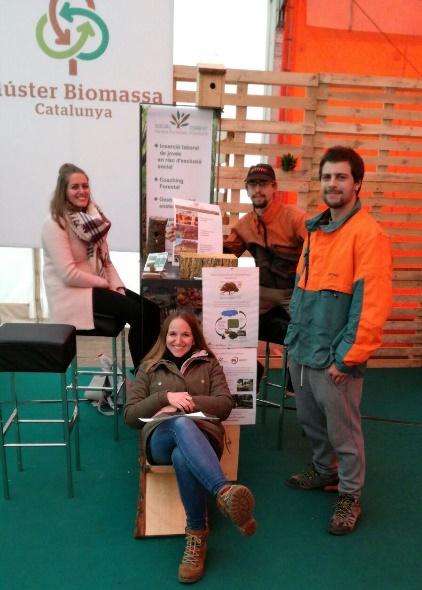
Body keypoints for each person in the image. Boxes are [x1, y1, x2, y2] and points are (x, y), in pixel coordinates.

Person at [284, 146, 392, 535]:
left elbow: (371, 306)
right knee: (309, 420)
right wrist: (293, 344)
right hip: (303, 349)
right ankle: (324, 470)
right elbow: (302, 286)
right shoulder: (315, 230)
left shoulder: (369, 235)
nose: (333, 184)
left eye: (341, 177)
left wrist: (347, 358)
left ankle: (349, 495)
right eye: (327, 177)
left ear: (357, 183)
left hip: (335, 358)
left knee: (343, 432)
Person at [125, 311, 256, 584]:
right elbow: (130, 416)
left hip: (204, 440)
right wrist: (164, 398)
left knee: (183, 456)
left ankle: (196, 537)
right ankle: (224, 492)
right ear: (164, 337)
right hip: (159, 440)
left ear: (194, 338)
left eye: (185, 334)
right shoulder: (148, 367)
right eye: (172, 334)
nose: (178, 340)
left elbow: (225, 404)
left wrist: (188, 402)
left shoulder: (209, 364)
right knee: (180, 424)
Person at [42, 163, 160, 370]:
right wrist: (104, 284)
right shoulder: (55, 224)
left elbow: (107, 262)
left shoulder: (93, 220)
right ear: (63, 191)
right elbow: (68, 274)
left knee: (152, 310)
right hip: (73, 294)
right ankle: (144, 374)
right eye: (75, 187)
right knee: (139, 314)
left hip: (95, 286)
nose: (82, 191)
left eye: (85, 186)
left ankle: (149, 370)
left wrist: (118, 287)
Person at [223, 163, 307, 381]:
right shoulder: (244, 225)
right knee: (227, 325)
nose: (258, 189)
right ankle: (249, 372)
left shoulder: (295, 218)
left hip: (293, 293)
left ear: (274, 187)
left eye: (263, 184)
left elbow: (317, 250)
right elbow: (224, 257)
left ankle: (297, 381)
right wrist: (190, 240)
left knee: (308, 331)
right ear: (247, 189)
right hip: (260, 294)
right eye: (253, 185)